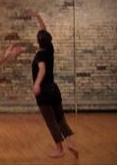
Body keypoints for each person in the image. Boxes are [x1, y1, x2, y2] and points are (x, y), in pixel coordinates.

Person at [28, 10, 79, 159]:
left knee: (51, 121)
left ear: (38, 42)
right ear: (49, 41)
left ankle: (60, 149)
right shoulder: (50, 49)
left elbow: (42, 69)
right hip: (54, 89)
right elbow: (44, 31)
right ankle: (70, 142)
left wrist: (36, 84)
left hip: (44, 93)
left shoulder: (39, 55)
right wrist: (38, 17)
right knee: (60, 118)